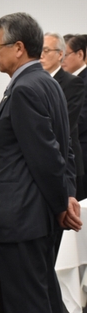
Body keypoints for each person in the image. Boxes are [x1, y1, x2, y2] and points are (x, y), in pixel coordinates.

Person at [0, 12, 82, 313]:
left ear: (19, 47)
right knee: (43, 301)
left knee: (27, 310)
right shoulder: (48, 83)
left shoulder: (26, 88)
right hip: (37, 215)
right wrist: (66, 197)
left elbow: (46, 157)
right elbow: (65, 150)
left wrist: (61, 204)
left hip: (21, 216)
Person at [40, 33, 85, 201]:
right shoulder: (35, 81)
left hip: (66, 161)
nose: (41, 55)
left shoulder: (73, 82)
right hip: (43, 163)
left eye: (46, 50)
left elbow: (65, 123)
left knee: (71, 221)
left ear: (60, 54)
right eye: (39, 50)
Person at [63, 34, 87, 201]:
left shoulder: (81, 81)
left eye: (65, 54)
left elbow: (81, 119)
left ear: (80, 54)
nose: (61, 59)